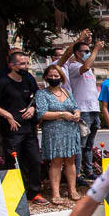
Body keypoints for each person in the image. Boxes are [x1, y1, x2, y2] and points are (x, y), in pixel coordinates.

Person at [0, 51, 43, 203]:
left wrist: (33, 108)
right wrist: (6, 115)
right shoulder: (2, 81)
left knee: (35, 160)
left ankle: (34, 193)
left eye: (27, 63)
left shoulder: (29, 79)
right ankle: (17, 195)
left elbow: (38, 97)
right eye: (22, 64)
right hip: (12, 131)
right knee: (14, 162)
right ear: (12, 65)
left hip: (29, 129)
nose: (26, 66)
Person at [56, 32, 104, 182]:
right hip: (82, 110)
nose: (88, 53)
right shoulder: (73, 66)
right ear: (77, 53)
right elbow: (86, 66)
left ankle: (88, 171)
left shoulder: (89, 70)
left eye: (89, 51)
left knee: (89, 145)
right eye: (86, 51)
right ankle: (77, 174)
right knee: (80, 145)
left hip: (93, 109)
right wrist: (96, 49)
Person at [35, 65, 81, 204]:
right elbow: (42, 113)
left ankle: (72, 190)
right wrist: (61, 114)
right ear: (46, 77)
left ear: (61, 77)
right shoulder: (42, 94)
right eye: (51, 76)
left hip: (71, 131)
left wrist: (77, 113)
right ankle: (56, 193)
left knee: (71, 161)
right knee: (56, 162)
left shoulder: (67, 92)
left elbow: (75, 107)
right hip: (54, 132)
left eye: (56, 76)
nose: (54, 78)